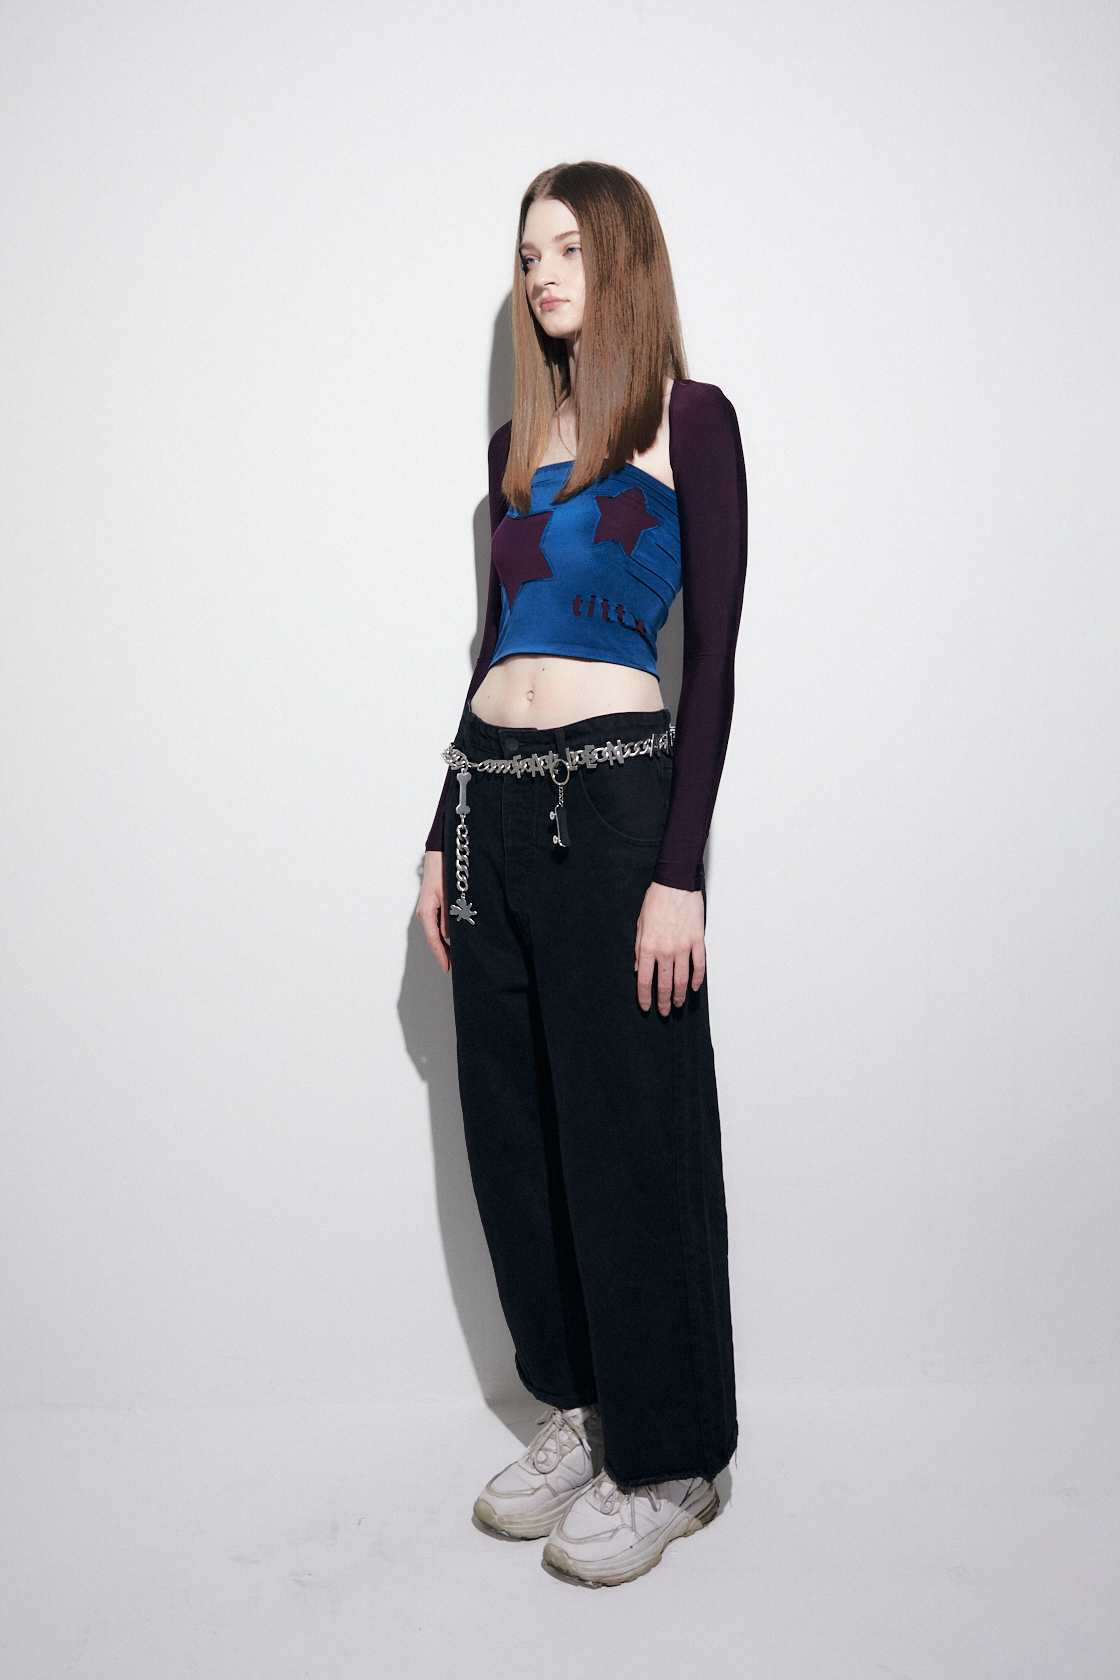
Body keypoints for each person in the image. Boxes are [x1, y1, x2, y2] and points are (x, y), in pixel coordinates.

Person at [415, 161, 747, 1588]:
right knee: (518, 1130)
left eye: (568, 247)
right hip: (492, 809)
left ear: (621, 258)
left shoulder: (690, 420)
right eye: (528, 252)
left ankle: (673, 1454)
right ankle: (583, 1407)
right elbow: (491, 654)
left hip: (614, 807)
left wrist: (681, 871)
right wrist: (442, 829)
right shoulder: (512, 445)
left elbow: (711, 658)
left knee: (630, 1130)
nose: (544, 273)